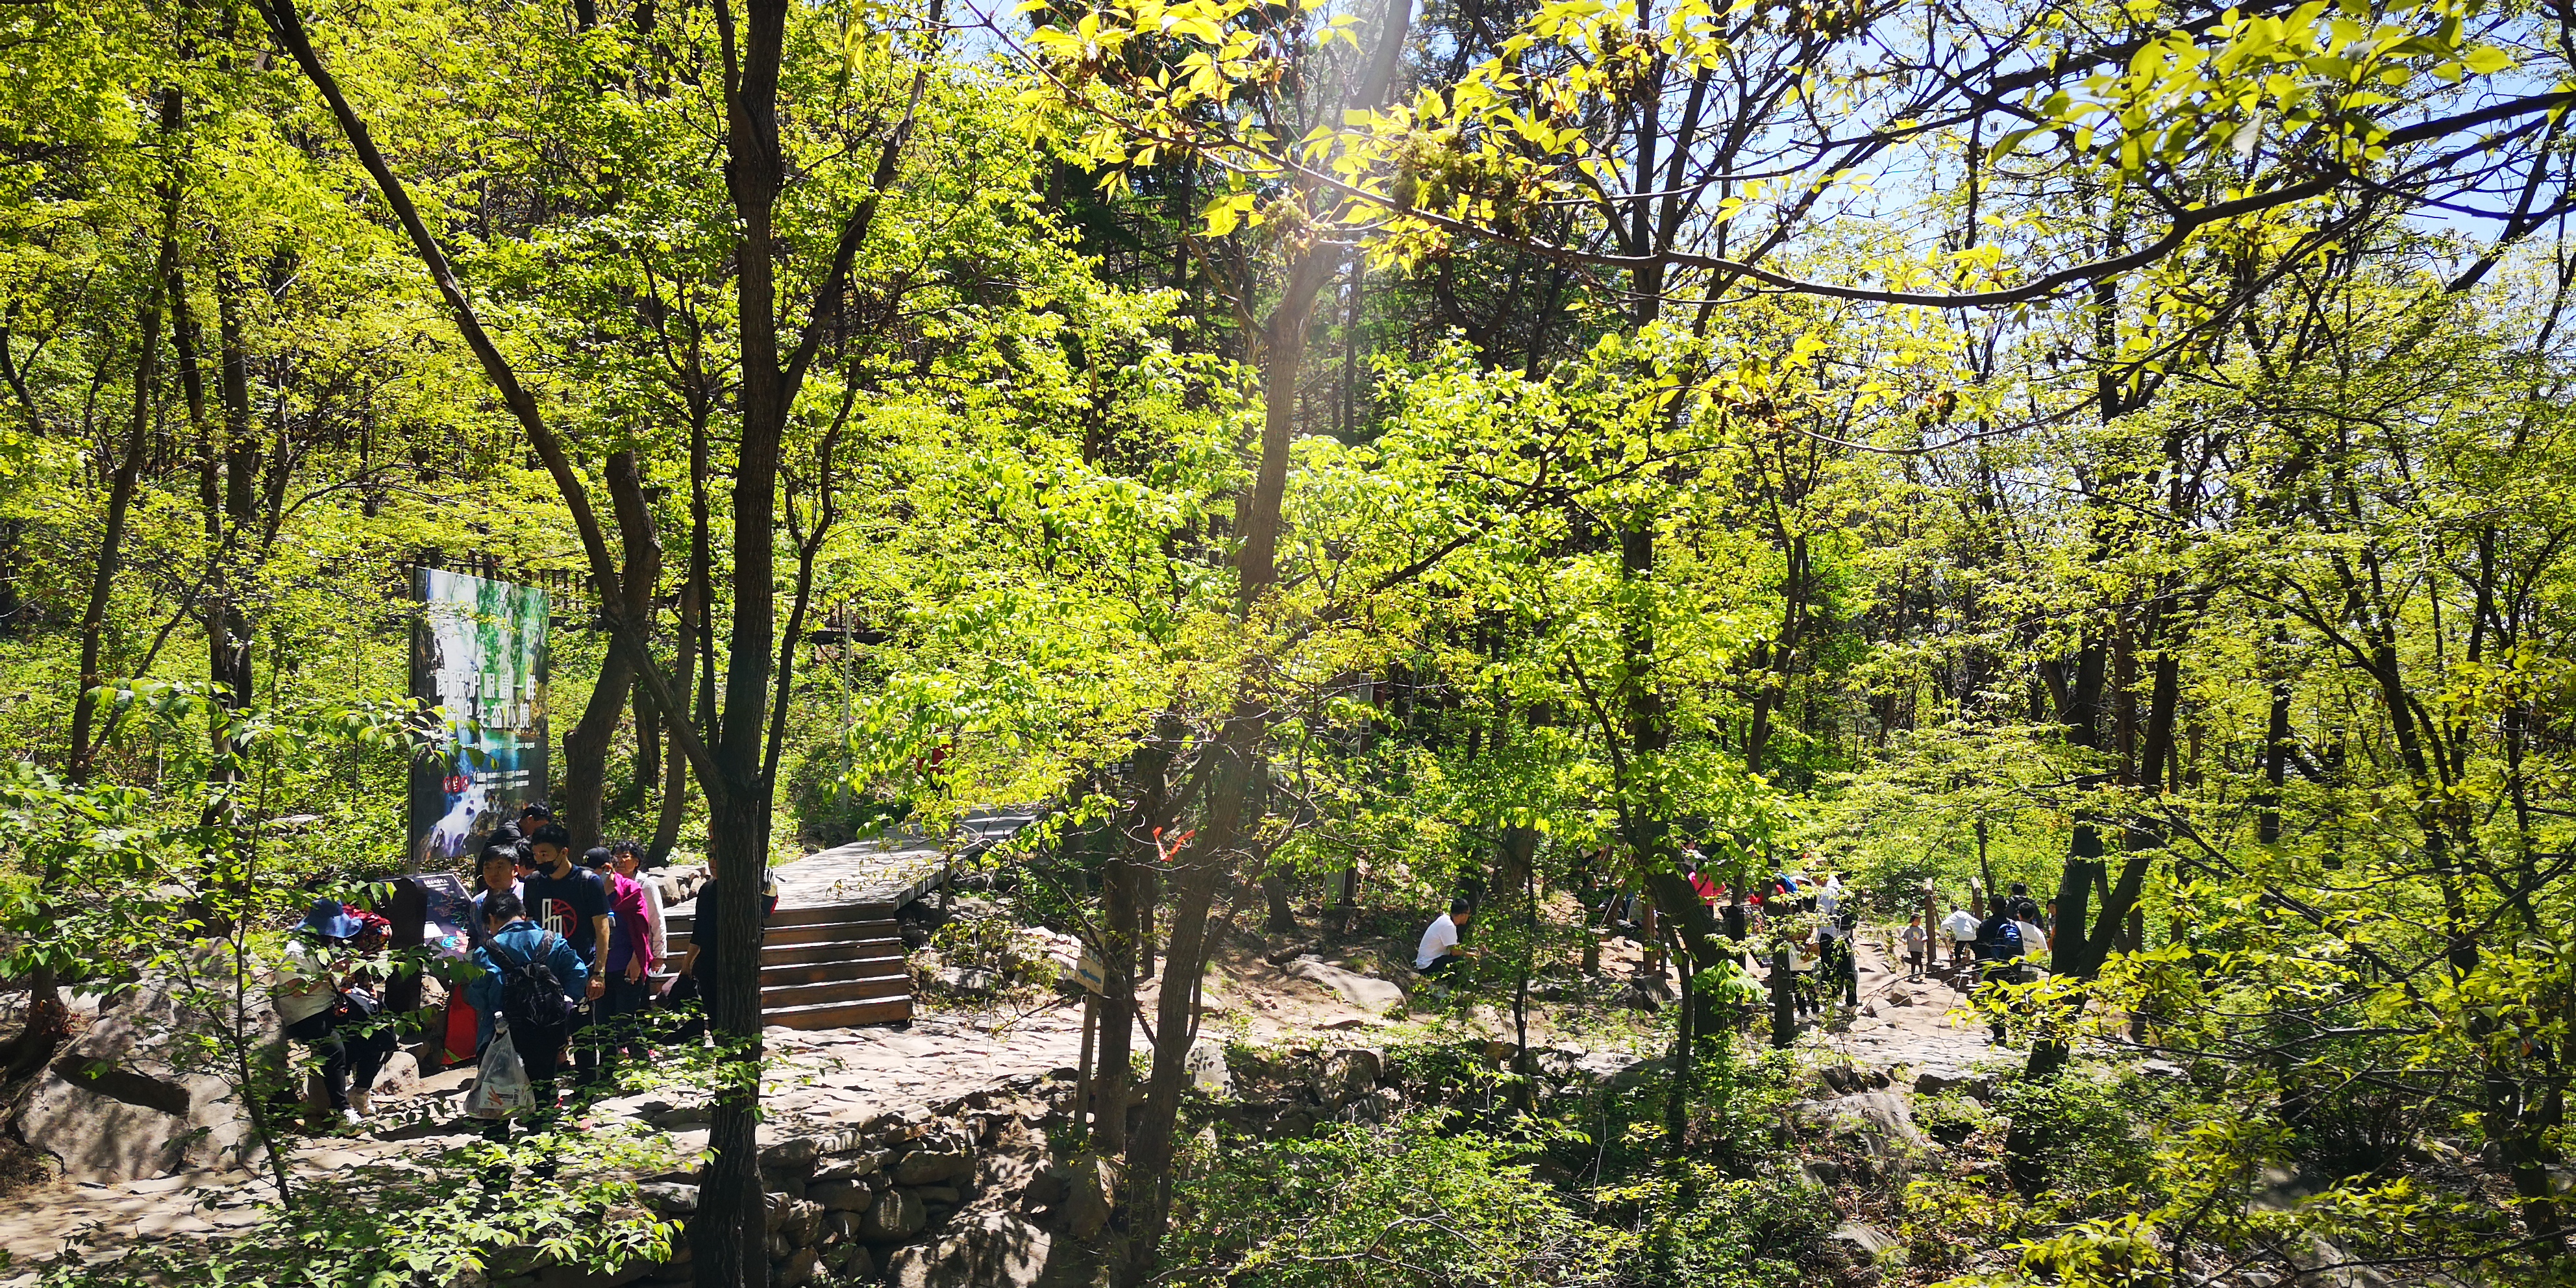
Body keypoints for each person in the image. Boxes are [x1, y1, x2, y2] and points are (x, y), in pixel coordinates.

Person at [275, 897, 397, 1126]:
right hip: (307, 1012)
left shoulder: (326, 946)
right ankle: (341, 1110)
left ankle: (360, 1090)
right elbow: (297, 991)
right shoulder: (296, 951)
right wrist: (328, 973)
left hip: (331, 1004)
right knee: (334, 1049)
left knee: (379, 1025)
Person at [466, 891, 588, 1111]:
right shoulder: (553, 941)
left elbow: (476, 995)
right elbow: (579, 973)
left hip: (499, 1032)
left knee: (497, 1097)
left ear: (492, 918)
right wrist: (565, 1004)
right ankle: (541, 1132)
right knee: (543, 1091)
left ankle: (499, 1136)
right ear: (522, 915)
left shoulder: (486, 951)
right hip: (546, 1029)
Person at [580, 847, 659, 1029]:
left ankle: (641, 1057)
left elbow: (642, 929)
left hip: (627, 966)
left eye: (593, 872)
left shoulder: (631, 890)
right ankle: (610, 1059)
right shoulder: (588, 892)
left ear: (608, 868)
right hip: (600, 968)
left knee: (626, 1024)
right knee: (603, 1026)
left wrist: (637, 960)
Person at [609, 839, 667, 975]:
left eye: (625, 857)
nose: (620, 861)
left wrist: (659, 954)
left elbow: (657, 921)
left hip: (641, 948)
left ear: (637, 862)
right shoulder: (609, 884)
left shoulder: (646, 885)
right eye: (617, 857)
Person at [1972, 900, 2027, 1042]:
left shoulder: (1986, 924)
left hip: (1992, 968)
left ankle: (2000, 1035)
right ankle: (2020, 1033)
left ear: (1991, 907)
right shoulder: (2012, 924)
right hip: (2011, 967)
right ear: (2006, 907)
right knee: (2014, 999)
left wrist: (1980, 966)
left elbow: (1980, 946)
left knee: (1996, 1000)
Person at [1414, 898, 1474, 978]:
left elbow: (1453, 946)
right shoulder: (1449, 926)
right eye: (1468, 914)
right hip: (1428, 966)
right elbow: (1454, 952)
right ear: (1462, 915)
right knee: (1465, 962)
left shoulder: (1445, 919)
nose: (1468, 916)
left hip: (1426, 963)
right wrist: (1470, 955)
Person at [1942, 902, 1980, 971]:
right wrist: (1982, 927)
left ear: (1952, 910)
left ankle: (1958, 963)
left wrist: (1942, 935)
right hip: (1971, 935)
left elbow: (1943, 925)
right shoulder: (1965, 915)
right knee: (1977, 950)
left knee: (1957, 950)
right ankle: (1978, 963)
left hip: (1961, 936)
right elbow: (1976, 922)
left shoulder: (1953, 917)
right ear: (1959, 908)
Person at [1901, 913, 1927, 982]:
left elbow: (1925, 936)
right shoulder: (1908, 929)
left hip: (1919, 947)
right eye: (1917, 921)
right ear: (1912, 921)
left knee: (1919, 960)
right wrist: (1903, 941)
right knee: (1913, 960)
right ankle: (1912, 974)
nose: (1918, 923)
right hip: (1912, 947)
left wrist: (1924, 939)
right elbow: (1902, 937)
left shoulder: (1920, 929)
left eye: (1919, 921)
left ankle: (1921, 972)